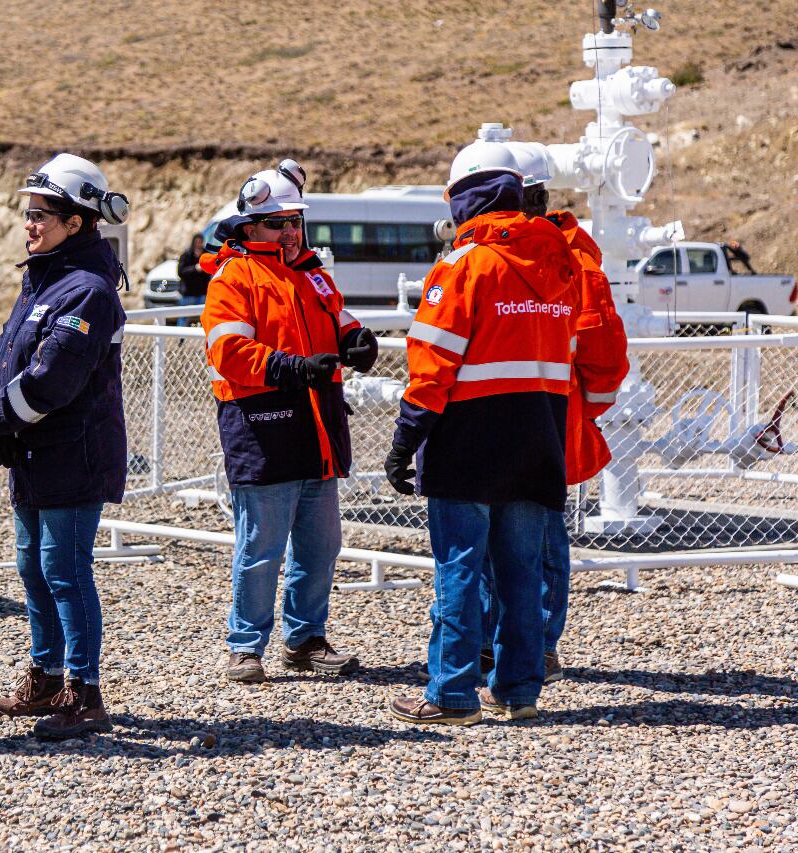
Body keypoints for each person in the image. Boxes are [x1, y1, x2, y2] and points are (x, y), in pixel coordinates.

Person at [384, 141, 580, 725]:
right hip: (537, 437)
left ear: (466, 199)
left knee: (460, 569)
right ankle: (519, 691)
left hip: (468, 439)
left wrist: (404, 440)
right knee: (522, 573)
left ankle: (450, 694)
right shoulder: (559, 261)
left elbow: (432, 364)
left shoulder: (463, 265)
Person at [0, 154, 128, 740]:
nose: (30, 224)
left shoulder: (85, 290)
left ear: (79, 223)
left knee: (64, 570)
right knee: (32, 566)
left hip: (73, 452)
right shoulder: (45, 279)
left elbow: (52, 379)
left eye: (42, 214)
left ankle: (85, 694)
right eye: (28, 213)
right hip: (36, 452)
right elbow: (5, 359)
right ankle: (46, 675)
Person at [201, 159, 379, 684]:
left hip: (315, 428)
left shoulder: (311, 273)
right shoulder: (234, 277)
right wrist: (294, 367)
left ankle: (304, 640)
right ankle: (244, 646)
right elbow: (229, 352)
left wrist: (355, 339)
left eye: (295, 221)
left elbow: (339, 317)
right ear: (250, 225)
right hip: (264, 427)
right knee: (261, 548)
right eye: (280, 222)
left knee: (321, 548)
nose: (291, 230)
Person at [476, 149, 629, 684]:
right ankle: (514, 645)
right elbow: (604, 361)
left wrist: (576, 413)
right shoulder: (557, 258)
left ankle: (527, 645)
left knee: (528, 538)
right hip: (534, 416)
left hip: (528, 419)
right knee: (521, 538)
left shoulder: (561, 261)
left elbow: (603, 355)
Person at [176, 233, 211, 326]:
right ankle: (180, 339)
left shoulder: (206, 254)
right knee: (184, 317)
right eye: (197, 242)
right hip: (188, 293)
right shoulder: (186, 255)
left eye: (201, 242)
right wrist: (195, 268)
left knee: (205, 317)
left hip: (202, 293)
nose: (199, 244)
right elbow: (180, 272)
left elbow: (212, 270)